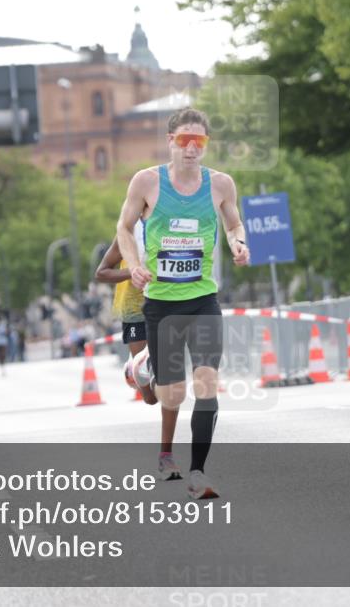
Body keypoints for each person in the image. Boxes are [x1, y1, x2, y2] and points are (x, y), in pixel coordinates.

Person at [116, 107, 250, 499]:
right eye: (184, 140)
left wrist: (239, 244)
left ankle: (198, 473)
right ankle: (145, 369)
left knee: (206, 383)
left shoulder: (221, 184)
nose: (192, 148)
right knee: (171, 395)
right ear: (170, 142)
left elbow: (233, 223)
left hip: (203, 300)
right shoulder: (146, 182)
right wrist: (136, 266)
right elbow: (124, 228)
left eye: (200, 142)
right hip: (161, 303)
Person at [96, 228, 185, 481]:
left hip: (168, 305)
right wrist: (132, 272)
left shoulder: (174, 226)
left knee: (170, 382)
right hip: (135, 309)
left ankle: (166, 455)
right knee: (150, 398)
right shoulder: (128, 231)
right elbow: (101, 272)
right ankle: (135, 370)